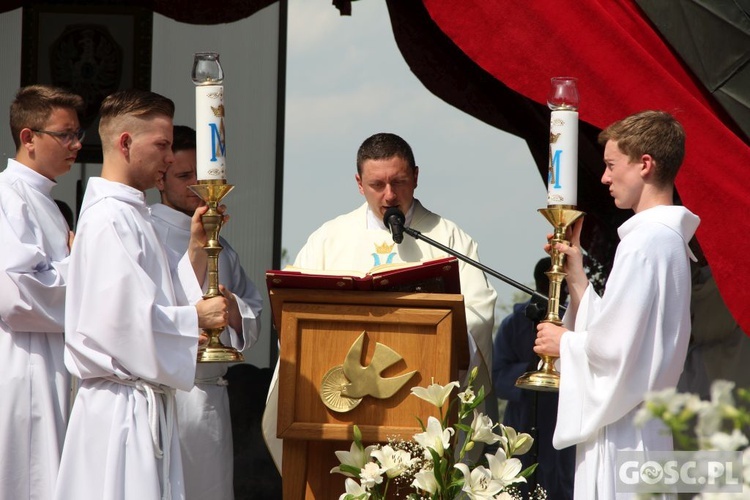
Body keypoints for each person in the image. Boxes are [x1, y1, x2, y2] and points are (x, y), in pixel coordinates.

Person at [262, 132, 498, 469]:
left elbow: (477, 316)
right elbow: (292, 316)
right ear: (359, 183)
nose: (389, 195)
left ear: (416, 176)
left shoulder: (448, 239)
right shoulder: (329, 239)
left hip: (421, 406)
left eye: (399, 182)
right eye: (377, 185)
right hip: (338, 410)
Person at [54, 90, 230, 500]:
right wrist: (196, 320)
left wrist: (197, 251)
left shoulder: (131, 213)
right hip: (120, 411)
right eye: (163, 145)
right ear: (126, 143)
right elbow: (119, 325)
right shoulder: (111, 218)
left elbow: (154, 304)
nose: (171, 159)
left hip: (136, 403)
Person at [534, 110, 700, 499]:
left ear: (645, 164)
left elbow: (616, 351)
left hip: (626, 433)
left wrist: (564, 344)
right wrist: (577, 277)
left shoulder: (645, 242)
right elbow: (626, 334)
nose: (604, 177)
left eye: (611, 165)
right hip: (642, 425)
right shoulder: (664, 238)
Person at [152, 124, 263, 500]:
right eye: (184, 176)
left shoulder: (224, 244)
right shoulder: (147, 234)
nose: (198, 187)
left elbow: (253, 308)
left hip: (212, 393)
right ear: (160, 181)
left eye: (203, 177)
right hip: (167, 393)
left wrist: (233, 310)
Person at [0, 84, 84, 500]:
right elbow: (17, 294)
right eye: (65, 134)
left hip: (51, 365)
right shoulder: (4, 196)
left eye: (76, 133)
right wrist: (81, 267)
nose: (77, 144)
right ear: (28, 138)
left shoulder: (47, 202)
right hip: (21, 367)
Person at [492, 257, 574, 499]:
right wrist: (532, 367)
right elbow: (498, 379)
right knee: (521, 483)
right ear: (541, 283)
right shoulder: (514, 324)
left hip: (563, 417)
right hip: (524, 419)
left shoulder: (575, 320)